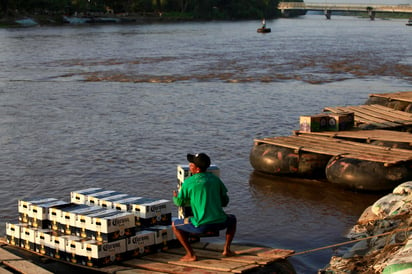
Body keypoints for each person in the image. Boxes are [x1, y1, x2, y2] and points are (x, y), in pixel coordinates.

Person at [172, 153, 237, 262]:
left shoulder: (189, 182)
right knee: (233, 219)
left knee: (175, 225)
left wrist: (175, 197)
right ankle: (227, 250)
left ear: (197, 169)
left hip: (202, 225)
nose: (189, 166)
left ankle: (191, 254)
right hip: (220, 223)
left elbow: (180, 202)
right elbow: (225, 201)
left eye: (191, 164)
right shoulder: (216, 180)